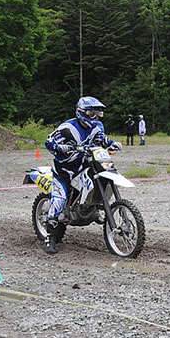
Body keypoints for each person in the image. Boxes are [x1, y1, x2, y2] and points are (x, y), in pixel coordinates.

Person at [44, 97, 121, 254]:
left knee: (99, 177)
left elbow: (101, 138)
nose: (95, 117)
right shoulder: (67, 128)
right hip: (64, 170)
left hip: (83, 164)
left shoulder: (95, 127)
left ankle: (93, 208)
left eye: (97, 113)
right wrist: (61, 148)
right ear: (82, 113)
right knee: (58, 201)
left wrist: (112, 143)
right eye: (92, 113)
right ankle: (50, 239)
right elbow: (48, 142)